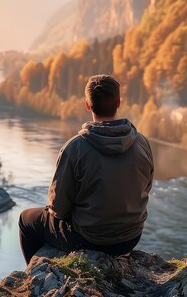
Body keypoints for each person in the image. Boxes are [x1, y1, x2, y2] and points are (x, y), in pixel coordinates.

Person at [18, 74, 154, 264]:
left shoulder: (75, 148)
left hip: (89, 239)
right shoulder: (141, 143)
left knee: (26, 219)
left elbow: (59, 209)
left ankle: (34, 277)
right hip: (130, 238)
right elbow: (146, 187)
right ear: (119, 103)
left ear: (87, 105)